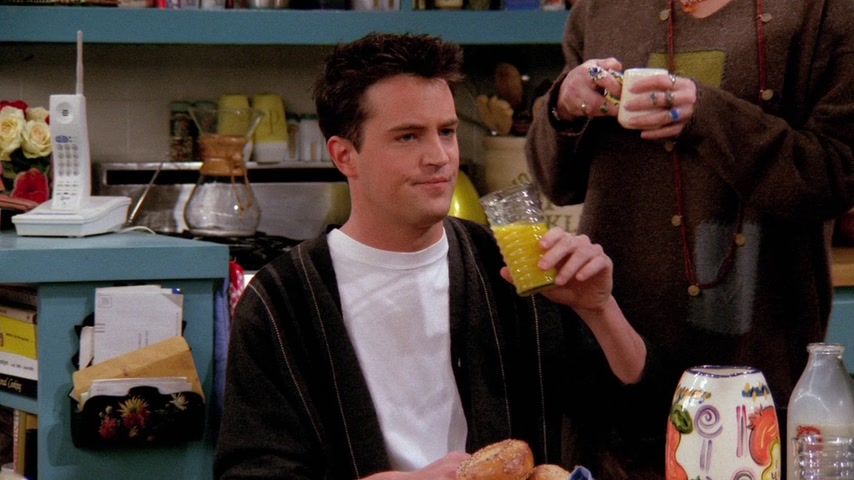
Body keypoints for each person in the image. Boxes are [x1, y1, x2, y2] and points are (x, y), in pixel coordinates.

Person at [214, 32, 662, 479]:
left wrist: (600, 310)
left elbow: (641, 427)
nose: (439, 157)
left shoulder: (512, 268)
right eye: (408, 137)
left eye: (446, 132)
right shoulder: (282, 302)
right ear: (345, 156)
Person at [526, 0, 854, 477]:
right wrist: (563, 106)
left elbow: (837, 174)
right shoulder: (598, 10)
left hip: (753, 370)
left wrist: (709, 115)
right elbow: (556, 182)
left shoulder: (825, 11)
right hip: (613, 353)